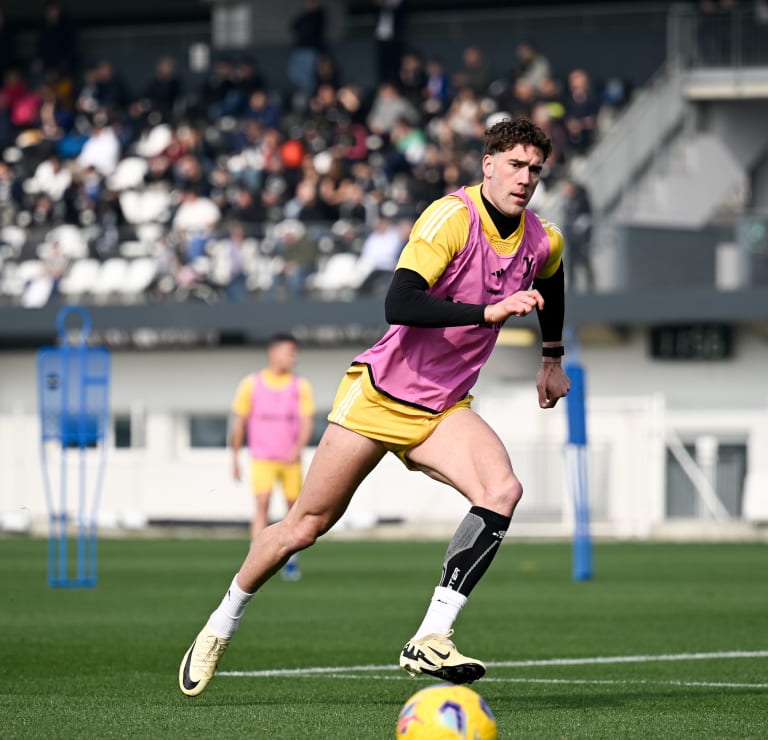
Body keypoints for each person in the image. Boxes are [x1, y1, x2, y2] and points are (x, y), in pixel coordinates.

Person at [178, 118, 570, 696]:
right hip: (380, 395)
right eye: (515, 165)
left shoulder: (543, 237)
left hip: (442, 409)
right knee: (302, 528)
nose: (525, 178)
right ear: (488, 164)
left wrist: (552, 357)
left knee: (502, 491)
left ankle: (431, 636)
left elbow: (554, 282)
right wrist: (483, 313)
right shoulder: (451, 217)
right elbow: (399, 302)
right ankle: (221, 621)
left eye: (535, 169)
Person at [230, 333, 315, 580]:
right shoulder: (252, 384)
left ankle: (291, 560)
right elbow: (239, 422)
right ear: (273, 353)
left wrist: (296, 449)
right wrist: (234, 457)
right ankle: (254, 562)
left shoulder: (300, 385)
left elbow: (306, 421)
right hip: (262, 458)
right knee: (262, 506)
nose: (293, 357)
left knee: (294, 511)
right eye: (289, 352)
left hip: (290, 461)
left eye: (295, 353)